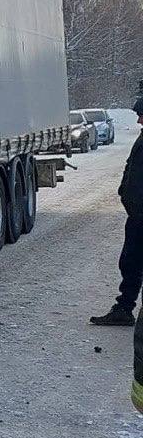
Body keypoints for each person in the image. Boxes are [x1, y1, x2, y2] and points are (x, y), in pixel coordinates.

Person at [90, 94, 143, 326]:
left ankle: (125, 308)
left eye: (142, 114)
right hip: (138, 214)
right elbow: (131, 169)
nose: (139, 120)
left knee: (133, 261)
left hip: (141, 214)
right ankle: (124, 308)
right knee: (131, 261)